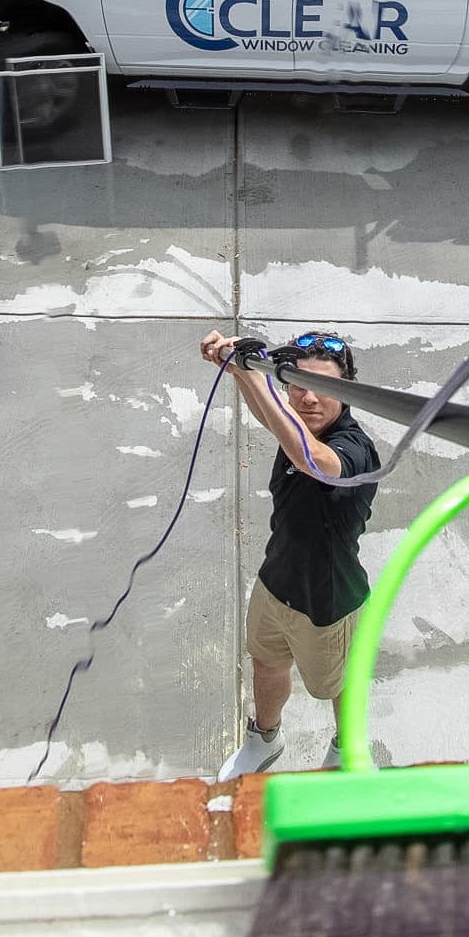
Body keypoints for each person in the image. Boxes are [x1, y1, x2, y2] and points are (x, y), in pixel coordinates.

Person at [200, 327, 380, 778]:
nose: (308, 399)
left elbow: (313, 460)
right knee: (266, 662)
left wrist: (261, 383)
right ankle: (265, 738)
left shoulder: (354, 448)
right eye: (297, 385)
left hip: (328, 601)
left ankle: (348, 747)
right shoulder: (297, 426)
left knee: (339, 682)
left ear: (347, 389)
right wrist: (238, 371)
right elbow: (275, 421)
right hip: (275, 581)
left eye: (322, 386)